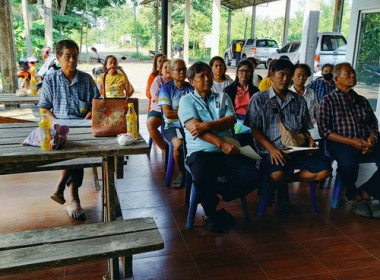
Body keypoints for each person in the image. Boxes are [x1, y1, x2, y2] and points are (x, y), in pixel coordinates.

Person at [178, 61, 258, 233]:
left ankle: (218, 195)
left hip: (227, 151)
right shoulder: (186, 101)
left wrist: (207, 125)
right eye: (201, 76)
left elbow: (230, 120)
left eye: (208, 74)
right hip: (201, 152)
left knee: (253, 174)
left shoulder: (222, 97)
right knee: (200, 177)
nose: (207, 79)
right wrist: (221, 143)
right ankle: (210, 210)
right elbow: (196, 131)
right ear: (191, 81)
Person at [244, 59, 331, 211]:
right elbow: (254, 129)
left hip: (297, 148)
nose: (285, 79)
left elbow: (304, 127)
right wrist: (271, 149)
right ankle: (280, 186)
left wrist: (310, 141)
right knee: (277, 174)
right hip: (272, 149)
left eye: (288, 75)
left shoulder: (298, 100)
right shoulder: (259, 99)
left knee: (325, 170)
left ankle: (284, 182)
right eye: (281, 74)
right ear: (272, 75)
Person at [38, 39, 100, 221]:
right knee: (74, 149)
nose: (72, 60)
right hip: (58, 127)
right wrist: (58, 124)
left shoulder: (86, 79)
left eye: (75, 56)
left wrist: (86, 119)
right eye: (67, 56)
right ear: (58, 57)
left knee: (77, 146)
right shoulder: (50, 79)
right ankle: (73, 197)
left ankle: (60, 187)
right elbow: (44, 108)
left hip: (83, 126)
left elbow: (96, 105)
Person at [317, 62, 380, 218]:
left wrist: (372, 138)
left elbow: (373, 123)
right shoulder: (328, 101)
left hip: (366, 141)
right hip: (342, 143)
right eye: (348, 73)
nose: (353, 75)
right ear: (337, 79)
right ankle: (353, 194)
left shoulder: (362, 100)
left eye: (353, 73)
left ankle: (368, 191)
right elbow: (325, 131)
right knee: (348, 163)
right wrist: (353, 142)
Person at [158, 58, 193, 189]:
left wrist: (178, 111)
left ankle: (195, 172)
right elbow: (168, 114)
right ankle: (181, 174)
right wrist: (186, 112)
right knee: (178, 144)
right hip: (172, 126)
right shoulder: (166, 89)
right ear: (171, 72)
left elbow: (196, 111)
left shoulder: (190, 88)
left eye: (184, 69)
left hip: (188, 124)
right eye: (179, 69)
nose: (183, 72)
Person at [224, 60, 259, 147]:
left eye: (248, 71)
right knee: (239, 139)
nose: (244, 73)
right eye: (242, 70)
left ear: (251, 73)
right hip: (235, 123)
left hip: (251, 123)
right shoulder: (229, 90)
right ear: (237, 73)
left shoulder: (255, 91)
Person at [147, 59, 172, 150]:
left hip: (174, 111)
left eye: (170, 67)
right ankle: (165, 149)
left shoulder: (177, 81)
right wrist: (167, 103)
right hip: (158, 110)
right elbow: (155, 97)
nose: (168, 69)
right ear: (161, 70)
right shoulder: (158, 80)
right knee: (151, 124)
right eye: (165, 67)